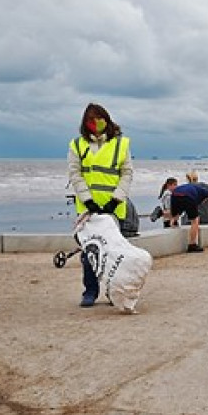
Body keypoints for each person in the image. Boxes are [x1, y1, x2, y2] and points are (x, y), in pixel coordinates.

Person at [68, 103, 134, 307]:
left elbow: (127, 173)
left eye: (99, 119)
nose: (95, 124)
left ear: (106, 119)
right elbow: (75, 173)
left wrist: (115, 200)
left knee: (115, 253)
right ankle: (90, 291)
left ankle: (113, 291)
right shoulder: (77, 145)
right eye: (90, 120)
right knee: (89, 254)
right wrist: (88, 200)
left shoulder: (121, 144)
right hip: (88, 210)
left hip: (114, 208)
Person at [160, 179, 208, 252]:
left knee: (175, 214)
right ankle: (192, 245)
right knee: (195, 220)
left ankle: (161, 213)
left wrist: (174, 220)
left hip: (175, 195)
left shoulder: (192, 187)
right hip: (188, 196)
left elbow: (176, 213)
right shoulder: (203, 192)